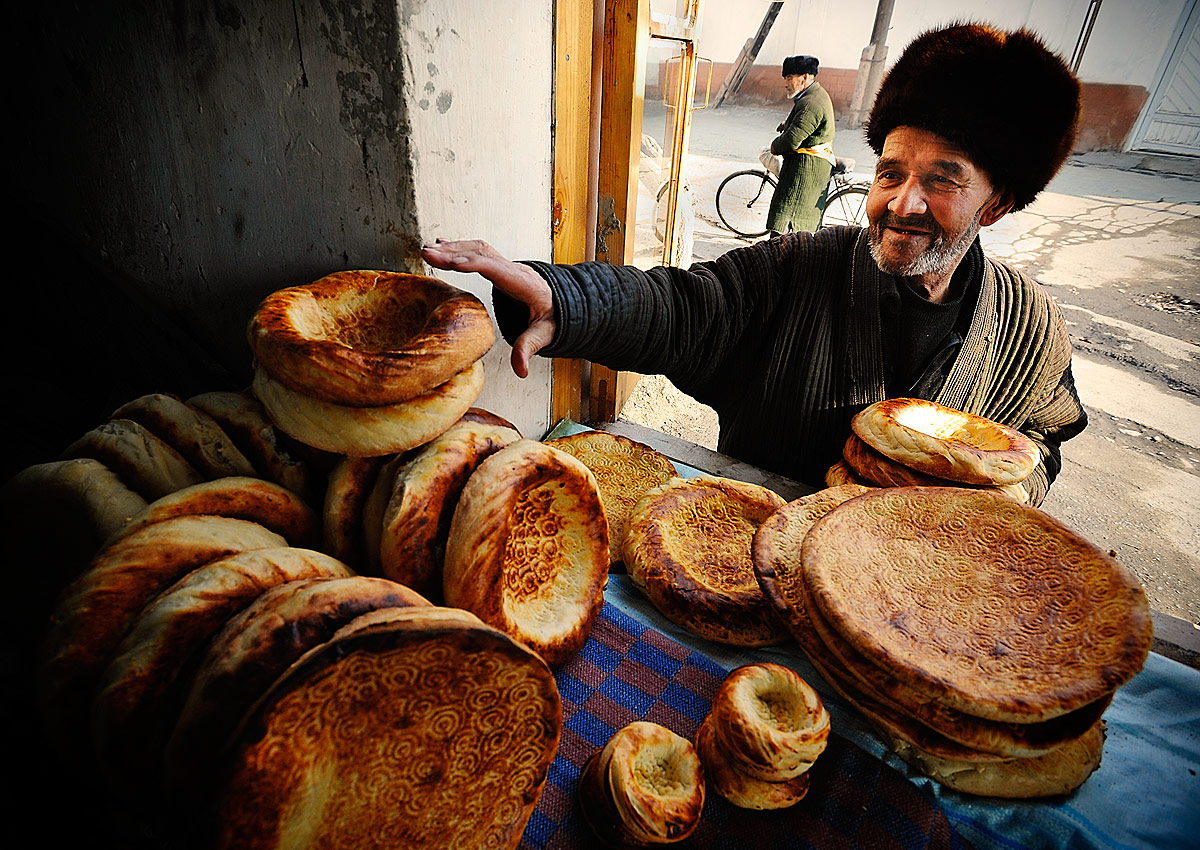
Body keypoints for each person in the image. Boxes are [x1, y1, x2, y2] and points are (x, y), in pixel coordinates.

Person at [422, 23, 1087, 507]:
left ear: (996, 203)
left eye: (942, 179)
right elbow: (680, 308)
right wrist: (562, 298)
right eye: (891, 171)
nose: (901, 202)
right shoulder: (796, 270)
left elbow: (1042, 437)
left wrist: (1008, 494)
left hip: (912, 604)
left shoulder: (1031, 326)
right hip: (749, 567)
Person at [765, 54, 836, 234]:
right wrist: (787, 123)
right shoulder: (813, 95)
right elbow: (803, 124)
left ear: (805, 77)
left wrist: (774, 147)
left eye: (790, 78)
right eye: (785, 78)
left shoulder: (811, 103)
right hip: (806, 168)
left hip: (804, 173)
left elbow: (791, 140)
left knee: (787, 224)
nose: (786, 83)